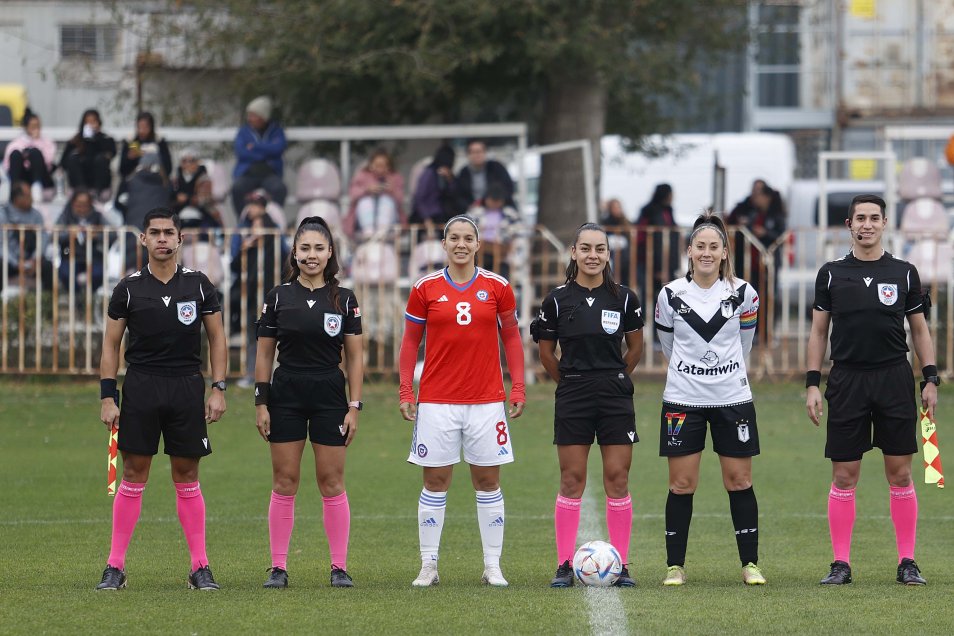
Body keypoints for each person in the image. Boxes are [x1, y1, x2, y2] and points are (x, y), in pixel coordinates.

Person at [805, 194, 938, 586]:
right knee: (845, 475)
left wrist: (929, 377)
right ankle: (840, 564)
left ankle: (907, 562)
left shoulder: (905, 273)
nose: (866, 224)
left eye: (873, 218)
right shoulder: (831, 274)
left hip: (894, 379)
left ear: (884, 223)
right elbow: (817, 332)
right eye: (859, 218)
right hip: (846, 380)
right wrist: (813, 384)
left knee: (900, 475)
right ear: (848, 225)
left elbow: (919, 330)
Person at [96, 207, 227, 591]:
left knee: (187, 475)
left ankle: (199, 567)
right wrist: (108, 396)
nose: (162, 239)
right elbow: (110, 344)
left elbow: (217, 339)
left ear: (180, 238)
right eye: (154, 232)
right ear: (143, 239)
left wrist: (218, 388)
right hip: (141, 386)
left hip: (187, 386)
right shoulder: (129, 287)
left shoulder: (200, 285)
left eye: (169, 232)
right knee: (134, 474)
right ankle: (115, 567)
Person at [398, 215, 526, 588]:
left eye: (468, 238)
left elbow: (513, 340)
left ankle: (492, 566)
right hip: (437, 401)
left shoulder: (498, 286)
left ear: (477, 244)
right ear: (444, 243)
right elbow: (409, 343)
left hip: (487, 401)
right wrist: (407, 390)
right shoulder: (425, 288)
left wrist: (517, 387)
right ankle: (428, 566)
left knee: (487, 481)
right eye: (454, 238)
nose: (461, 244)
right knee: (435, 480)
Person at [653, 212, 764, 587]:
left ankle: (750, 564)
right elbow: (667, 346)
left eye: (713, 247)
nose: (706, 252)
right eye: (699, 246)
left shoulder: (744, 293)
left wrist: (722, 374)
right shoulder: (670, 294)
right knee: (681, 484)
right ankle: (675, 567)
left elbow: (745, 344)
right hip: (683, 400)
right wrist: (694, 375)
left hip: (733, 398)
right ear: (689, 251)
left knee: (739, 480)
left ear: (724, 252)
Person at [532, 223, 644, 588]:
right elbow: (546, 353)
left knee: (617, 478)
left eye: (600, 249)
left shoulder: (626, 298)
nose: (592, 255)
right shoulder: (557, 300)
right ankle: (564, 564)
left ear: (608, 254)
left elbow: (636, 348)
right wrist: (569, 383)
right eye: (585, 248)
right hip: (573, 395)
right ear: (574, 252)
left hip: (614, 395)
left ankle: (622, 565)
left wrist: (614, 378)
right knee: (571, 479)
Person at [254, 216, 363, 589]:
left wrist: (355, 406)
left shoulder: (344, 299)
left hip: (330, 394)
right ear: (294, 253)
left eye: (318, 248)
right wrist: (261, 402)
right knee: (285, 480)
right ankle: (279, 567)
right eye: (305, 248)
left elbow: (355, 357)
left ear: (330, 252)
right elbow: (265, 355)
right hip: (286, 393)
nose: (311, 255)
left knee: (331, 480)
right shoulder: (278, 297)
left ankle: (339, 567)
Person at [230, 190, 289, 387]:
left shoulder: (276, 239)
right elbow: (234, 265)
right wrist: (244, 249)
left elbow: (285, 263)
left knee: (275, 336)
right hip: (250, 294)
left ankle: (276, 374)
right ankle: (251, 374)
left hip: (271, 295)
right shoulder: (245, 236)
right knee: (251, 335)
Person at [726, 180, 786, 302]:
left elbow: (781, 236)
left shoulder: (776, 215)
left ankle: (767, 320)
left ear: (766, 197)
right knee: (748, 295)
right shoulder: (750, 210)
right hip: (750, 262)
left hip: (767, 262)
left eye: (758, 194)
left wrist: (765, 233)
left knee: (767, 296)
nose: (755, 197)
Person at [231, 96, 288, 214]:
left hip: (269, 173)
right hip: (248, 173)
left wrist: (255, 147)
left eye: (253, 115)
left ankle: (272, 221)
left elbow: (278, 148)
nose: (249, 119)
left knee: (280, 189)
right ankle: (244, 223)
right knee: (237, 189)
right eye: (249, 115)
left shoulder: (276, 130)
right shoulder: (244, 131)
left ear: (263, 117)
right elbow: (241, 152)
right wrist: (266, 153)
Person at [634, 183, 681, 309]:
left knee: (666, 299)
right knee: (650, 297)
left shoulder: (668, 211)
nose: (672, 197)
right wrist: (658, 268)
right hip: (650, 263)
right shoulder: (650, 212)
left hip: (667, 263)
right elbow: (651, 240)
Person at [0, 180, 51, 290]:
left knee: (48, 266)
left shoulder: (36, 215)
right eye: (28, 196)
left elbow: (43, 238)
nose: (32, 199)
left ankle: (47, 302)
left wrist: (35, 259)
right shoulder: (3, 214)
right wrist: (16, 263)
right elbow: (1, 245)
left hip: (31, 261)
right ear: (17, 198)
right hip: (9, 260)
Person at [345, 148, 406, 238]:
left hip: (390, 220)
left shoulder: (395, 177)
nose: (380, 169)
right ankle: (368, 232)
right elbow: (352, 194)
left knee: (386, 200)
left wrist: (392, 191)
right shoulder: (362, 175)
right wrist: (367, 190)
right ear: (371, 164)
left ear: (389, 166)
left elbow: (401, 200)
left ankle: (381, 232)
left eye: (383, 165)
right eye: (377, 165)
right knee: (365, 201)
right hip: (363, 220)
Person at [55, 189, 108, 290]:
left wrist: (97, 235)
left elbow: (114, 233)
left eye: (85, 204)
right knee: (66, 274)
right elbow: (54, 235)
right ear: (73, 203)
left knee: (97, 274)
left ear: (90, 204)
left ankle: (90, 299)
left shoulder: (98, 216)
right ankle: (77, 299)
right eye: (78, 204)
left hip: (94, 256)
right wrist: (69, 234)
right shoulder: (66, 215)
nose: (82, 208)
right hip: (70, 256)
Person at [60, 108, 116, 200]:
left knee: (100, 159)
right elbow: (63, 162)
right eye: (87, 122)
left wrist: (96, 138)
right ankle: (82, 191)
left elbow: (111, 153)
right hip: (79, 183)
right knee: (73, 158)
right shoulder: (75, 140)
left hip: (99, 184)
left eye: (93, 121)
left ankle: (97, 192)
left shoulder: (106, 139)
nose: (91, 125)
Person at [468, 182, 522, 278]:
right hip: (480, 250)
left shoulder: (510, 214)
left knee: (502, 274)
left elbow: (518, 230)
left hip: (502, 251)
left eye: (498, 200)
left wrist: (508, 241)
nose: (495, 203)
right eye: (492, 200)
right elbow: (467, 228)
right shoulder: (476, 212)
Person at [2, 108, 56, 196]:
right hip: (22, 177)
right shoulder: (16, 143)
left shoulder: (47, 142)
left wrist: (36, 142)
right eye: (33, 126)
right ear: (26, 127)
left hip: (42, 176)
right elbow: (7, 165)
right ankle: (15, 190)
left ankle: (36, 188)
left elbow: (48, 161)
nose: (36, 129)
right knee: (15, 154)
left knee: (35, 152)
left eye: (38, 125)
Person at [410, 145, 459, 235]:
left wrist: (449, 179)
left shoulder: (449, 177)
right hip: (425, 215)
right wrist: (426, 218)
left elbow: (453, 194)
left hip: (442, 215)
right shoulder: (429, 174)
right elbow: (419, 198)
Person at [455, 139, 515, 212]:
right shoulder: (463, 173)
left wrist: (495, 200)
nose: (477, 155)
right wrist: (469, 206)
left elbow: (508, 188)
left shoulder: (496, 168)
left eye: (479, 151)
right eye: (473, 152)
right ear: (468, 154)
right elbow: (459, 196)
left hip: (499, 210)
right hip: (473, 212)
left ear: (485, 152)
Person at [173, 148, 222, 231]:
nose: (188, 164)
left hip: (202, 210)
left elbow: (205, 199)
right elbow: (171, 196)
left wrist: (188, 199)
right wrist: (176, 199)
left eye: (191, 160)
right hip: (179, 210)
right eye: (184, 161)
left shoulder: (204, 178)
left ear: (197, 162)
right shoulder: (176, 179)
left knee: (211, 226)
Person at [118, 112, 173, 182]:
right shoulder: (132, 141)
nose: (141, 131)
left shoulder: (159, 141)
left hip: (155, 181)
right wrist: (130, 158)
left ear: (151, 127)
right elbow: (122, 171)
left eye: (145, 127)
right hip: (135, 181)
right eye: (139, 127)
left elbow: (168, 168)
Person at [600, 198, 633, 287]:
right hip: (612, 255)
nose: (617, 210)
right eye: (614, 207)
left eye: (618, 207)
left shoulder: (626, 223)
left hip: (624, 257)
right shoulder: (605, 222)